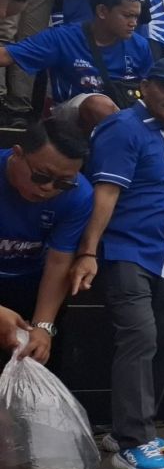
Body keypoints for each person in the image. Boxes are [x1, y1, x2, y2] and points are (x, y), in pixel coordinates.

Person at [68, 58, 164, 469]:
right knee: (139, 338)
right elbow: (105, 193)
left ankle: (131, 428)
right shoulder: (123, 127)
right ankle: (132, 442)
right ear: (145, 86)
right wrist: (88, 251)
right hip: (125, 249)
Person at [0, 0, 153, 132]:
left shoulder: (140, 45)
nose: (133, 22)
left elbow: (150, 89)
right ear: (102, 11)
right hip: (71, 114)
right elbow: (5, 55)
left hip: (124, 112)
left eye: (136, 16)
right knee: (99, 105)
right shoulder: (62, 38)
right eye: (127, 15)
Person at [0, 119, 92, 364]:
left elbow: (59, 261)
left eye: (62, 182)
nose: (48, 189)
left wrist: (43, 326)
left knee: (38, 354)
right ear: (17, 154)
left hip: (29, 284)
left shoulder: (78, 195)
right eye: (42, 176)